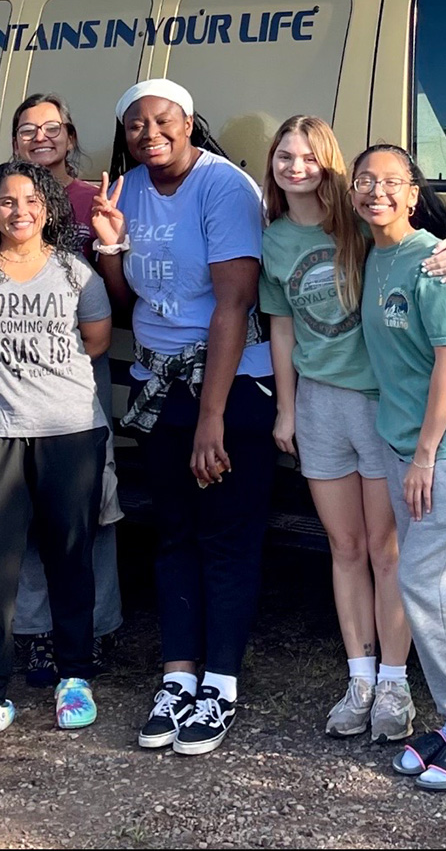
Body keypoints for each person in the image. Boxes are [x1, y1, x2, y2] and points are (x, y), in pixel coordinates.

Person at [259, 116, 446, 744]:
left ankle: (394, 684)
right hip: (319, 405)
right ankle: (359, 679)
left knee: (388, 548)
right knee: (345, 547)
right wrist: (287, 408)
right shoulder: (273, 239)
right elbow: (281, 327)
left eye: (309, 156)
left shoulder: (357, 221)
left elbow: (425, 249)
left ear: (332, 165)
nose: (296, 166)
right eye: (284, 156)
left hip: (381, 405)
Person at [91, 78, 275, 756]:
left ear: (190, 122)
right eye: (136, 124)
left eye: (163, 120)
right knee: (173, 535)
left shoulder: (223, 186)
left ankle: (219, 683)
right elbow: (123, 303)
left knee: (226, 535)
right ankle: (177, 679)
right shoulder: (129, 190)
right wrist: (110, 247)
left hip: (230, 387)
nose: (150, 133)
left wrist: (211, 419)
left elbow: (234, 303)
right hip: (159, 387)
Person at [0, 161, 111, 751]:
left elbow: (96, 340)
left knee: (70, 558)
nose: (20, 211)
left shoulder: (75, 270)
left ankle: (74, 678)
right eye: (7, 201)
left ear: (49, 207)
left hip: (69, 433)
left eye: (32, 200)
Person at [351, 144, 446, 792]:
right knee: (432, 585)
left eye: (392, 181)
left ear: (414, 194)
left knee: (428, 581)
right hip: (404, 444)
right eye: (365, 180)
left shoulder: (436, 263)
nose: (377, 190)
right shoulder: (375, 256)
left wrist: (425, 455)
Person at [5, 93, 123, 686]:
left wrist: (110, 240)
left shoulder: (92, 200)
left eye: (52, 127)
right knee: (27, 508)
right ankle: (37, 632)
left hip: (80, 371)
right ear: (14, 141)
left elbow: (119, 297)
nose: (41, 137)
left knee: (90, 505)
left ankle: (94, 627)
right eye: (28, 129)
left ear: (71, 137)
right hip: (13, 378)